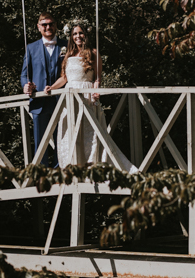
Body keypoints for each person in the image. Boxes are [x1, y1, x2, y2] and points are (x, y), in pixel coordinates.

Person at [46, 20, 136, 171]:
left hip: (86, 95)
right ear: (71, 36)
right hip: (70, 97)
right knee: (69, 130)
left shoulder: (93, 53)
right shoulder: (67, 54)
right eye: (75, 34)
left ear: (86, 34)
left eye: (80, 33)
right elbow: (64, 78)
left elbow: (97, 78)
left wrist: (96, 92)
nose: (78, 36)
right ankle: (72, 166)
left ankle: (92, 166)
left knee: (89, 131)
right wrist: (51, 87)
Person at [21, 11, 67, 166]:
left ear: (56, 25)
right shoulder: (31, 48)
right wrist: (26, 86)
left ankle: (60, 174)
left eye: (51, 24)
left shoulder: (66, 46)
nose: (48, 27)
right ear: (38, 27)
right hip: (39, 103)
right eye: (44, 24)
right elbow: (24, 75)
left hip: (62, 102)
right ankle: (42, 176)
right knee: (40, 142)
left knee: (62, 140)